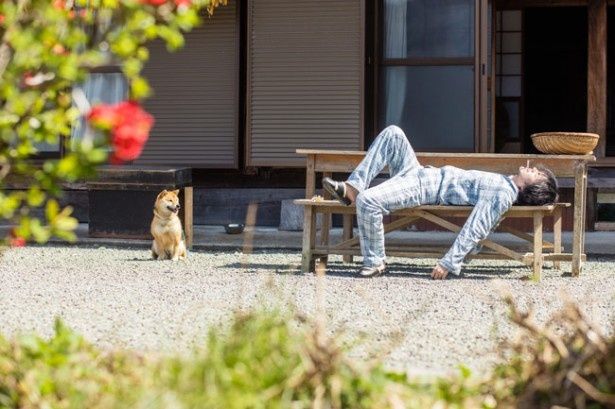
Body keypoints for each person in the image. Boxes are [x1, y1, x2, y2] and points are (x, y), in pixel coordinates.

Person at [323, 125, 558, 279]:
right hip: (420, 173)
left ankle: (375, 262)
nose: (533, 168)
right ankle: (352, 188)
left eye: (537, 174)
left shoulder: (503, 193)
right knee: (393, 133)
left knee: (369, 201)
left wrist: (449, 263)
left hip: (428, 186)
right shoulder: (504, 182)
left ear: (532, 187)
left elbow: (477, 227)